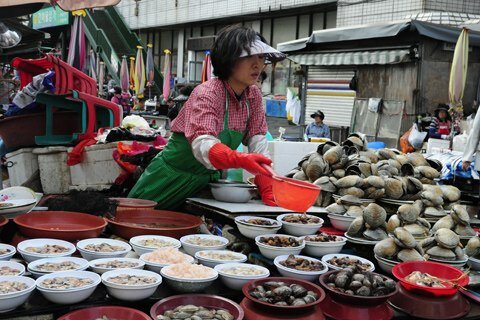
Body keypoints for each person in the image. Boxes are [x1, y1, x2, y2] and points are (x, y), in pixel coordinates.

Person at [128, 25, 286, 209]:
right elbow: (203, 143)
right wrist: (239, 159)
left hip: (205, 185)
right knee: (138, 224)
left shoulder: (254, 96)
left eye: (261, 57)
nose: (257, 64)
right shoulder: (208, 93)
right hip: (166, 180)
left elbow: (258, 142)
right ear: (229, 58)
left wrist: (267, 182)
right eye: (249, 56)